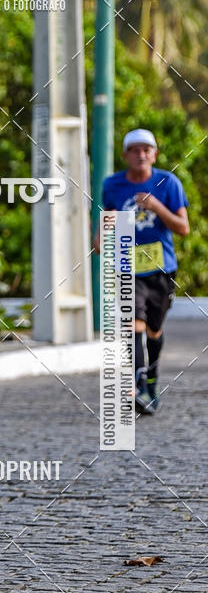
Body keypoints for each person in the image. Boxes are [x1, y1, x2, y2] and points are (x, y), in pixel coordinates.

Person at [94, 129, 189, 414]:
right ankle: (136, 386)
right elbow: (105, 223)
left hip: (161, 269)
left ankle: (151, 379)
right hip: (127, 268)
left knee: (154, 331)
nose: (141, 155)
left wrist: (156, 206)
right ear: (125, 155)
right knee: (133, 323)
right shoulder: (113, 185)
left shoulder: (168, 182)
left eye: (146, 149)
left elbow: (183, 228)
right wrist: (100, 238)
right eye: (134, 150)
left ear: (155, 154)